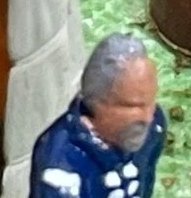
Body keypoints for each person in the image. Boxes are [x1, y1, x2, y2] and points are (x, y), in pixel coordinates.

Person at [31, 32, 168, 198]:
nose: (148, 117)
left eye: (150, 102)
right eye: (133, 106)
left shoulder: (153, 130)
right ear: (97, 102)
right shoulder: (61, 160)